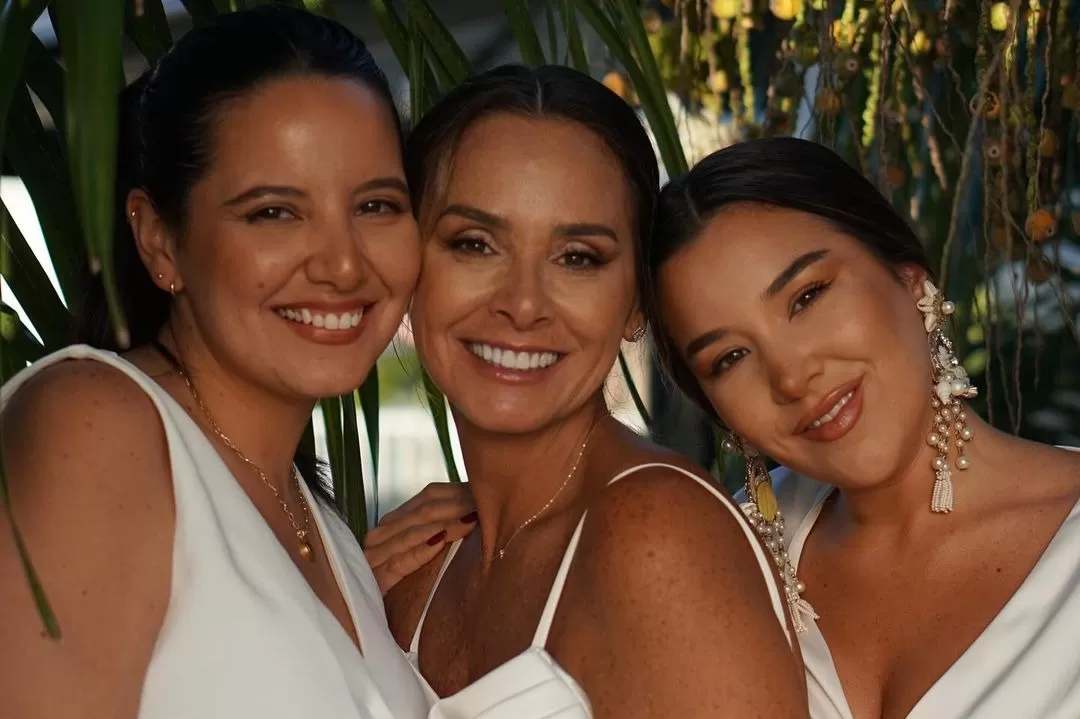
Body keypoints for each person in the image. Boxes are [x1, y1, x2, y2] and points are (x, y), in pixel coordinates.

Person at [0, 6, 448, 717]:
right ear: (160, 243)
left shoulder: (323, 531)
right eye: (274, 212)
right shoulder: (94, 423)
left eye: (375, 204)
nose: (341, 263)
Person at [382, 64, 808, 719]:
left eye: (577, 256)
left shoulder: (656, 536)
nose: (523, 304)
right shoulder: (415, 568)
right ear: (409, 264)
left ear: (636, 301)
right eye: (475, 244)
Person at [645, 136, 1080, 718]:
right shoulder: (722, 561)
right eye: (729, 358)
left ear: (909, 277)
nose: (792, 377)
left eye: (807, 297)